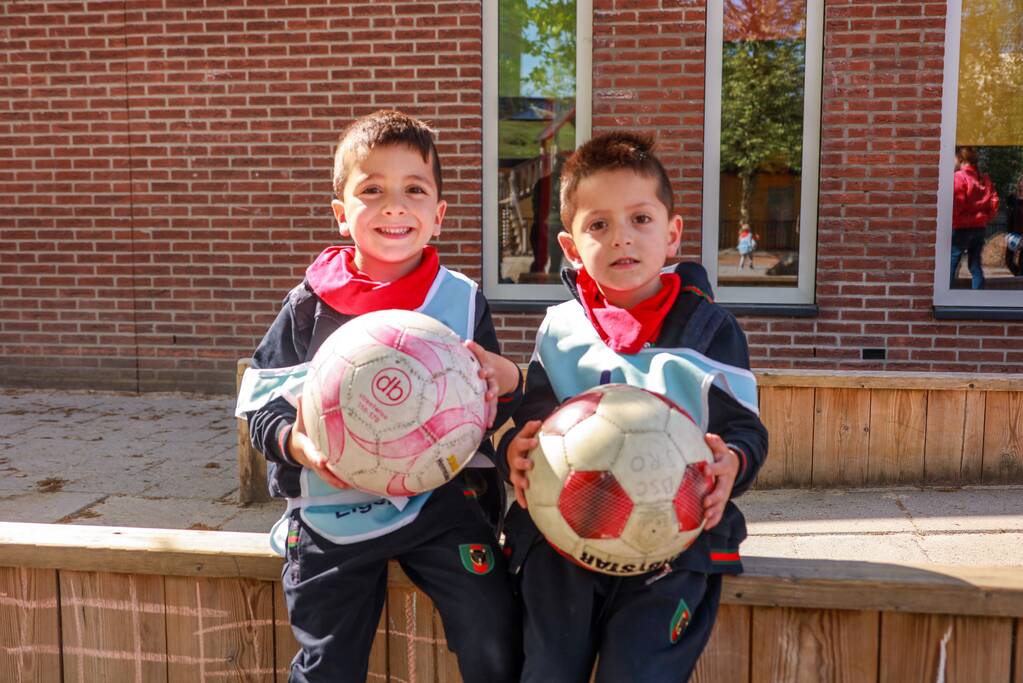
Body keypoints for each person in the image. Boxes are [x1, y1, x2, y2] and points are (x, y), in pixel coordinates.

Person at [242, 110, 523, 683]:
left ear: (438, 215)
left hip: (441, 505)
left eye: (413, 190)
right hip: (330, 510)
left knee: (495, 634)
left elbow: (491, 406)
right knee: (328, 664)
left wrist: (503, 383)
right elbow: (259, 409)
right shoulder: (308, 305)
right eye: (372, 190)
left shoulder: (461, 301)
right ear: (343, 216)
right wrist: (295, 445)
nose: (395, 205)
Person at [497, 132, 769, 682]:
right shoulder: (561, 329)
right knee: (547, 669)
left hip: (673, 543)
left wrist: (731, 464)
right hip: (561, 539)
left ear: (672, 235)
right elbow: (535, 417)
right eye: (598, 225)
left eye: (640, 219)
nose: (621, 238)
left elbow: (745, 430)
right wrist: (514, 451)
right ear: (571, 248)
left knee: (637, 671)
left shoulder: (709, 329)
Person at [951, 146, 999, 289]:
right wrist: (985, 218)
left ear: (961, 159)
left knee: (952, 262)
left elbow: (957, 203)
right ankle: (977, 297)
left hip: (961, 227)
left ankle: (947, 296)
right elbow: (994, 202)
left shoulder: (959, 177)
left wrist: (952, 221)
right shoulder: (984, 178)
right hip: (979, 227)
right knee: (975, 264)